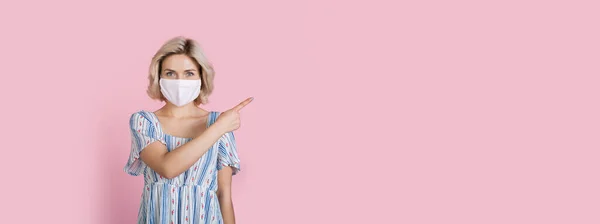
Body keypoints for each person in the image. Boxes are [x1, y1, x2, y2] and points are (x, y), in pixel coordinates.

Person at [124, 36, 252, 224]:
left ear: (201, 77)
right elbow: (168, 167)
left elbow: (223, 194)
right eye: (170, 73)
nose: (179, 81)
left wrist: (220, 126)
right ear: (158, 77)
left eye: (189, 73)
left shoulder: (218, 122)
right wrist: (218, 129)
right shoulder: (145, 122)